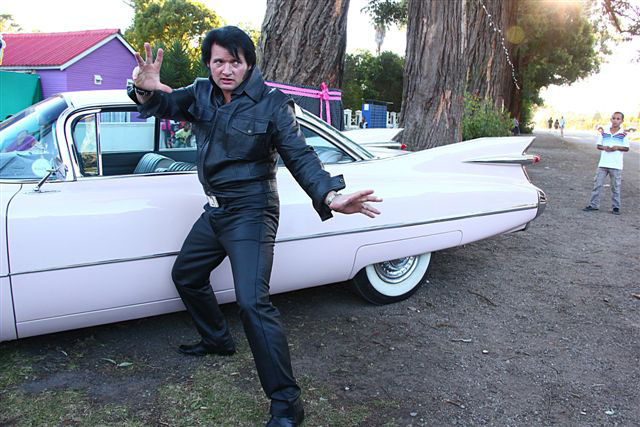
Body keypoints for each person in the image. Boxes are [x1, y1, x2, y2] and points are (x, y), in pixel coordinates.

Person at [128, 26, 382, 427]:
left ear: (248, 63)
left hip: (252, 211)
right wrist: (144, 89)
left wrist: (330, 195)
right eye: (218, 62)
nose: (226, 70)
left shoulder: (273, 104)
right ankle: (217, 340)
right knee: (186, 276)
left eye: (235, 61)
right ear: (209, 64)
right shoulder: (201, 92)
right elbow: (162, 104)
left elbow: (299, 155)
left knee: (252, 303)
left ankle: (287, 404)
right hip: (216, 210)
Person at [583, 111, 629, 215]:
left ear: (622, 121)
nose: (615, 120)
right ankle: (593, 205)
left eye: (618, 119)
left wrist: (617, 147)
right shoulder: (605, 132)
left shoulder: (623, 134)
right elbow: (599, 145)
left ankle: (616, 207)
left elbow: (626, 148)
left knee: (615, 187)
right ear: (611, 119)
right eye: (614, 118)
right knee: (597, 185)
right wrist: (605, 147)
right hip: (603, 164)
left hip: (616, 165)